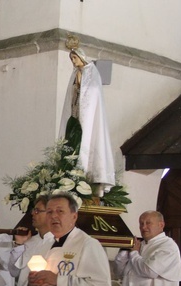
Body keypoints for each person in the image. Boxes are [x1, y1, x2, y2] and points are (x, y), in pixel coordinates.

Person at [60, 38, 116, 190]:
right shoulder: (75, 74)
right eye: (71, 58)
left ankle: (89, 180)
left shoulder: (92, 74)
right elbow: (71, 96)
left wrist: (82, 91)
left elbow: (92, 96)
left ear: (81, 57)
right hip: (75, 114)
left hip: (88, 119)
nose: (73, 61)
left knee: (88, 141)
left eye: (75, 58)